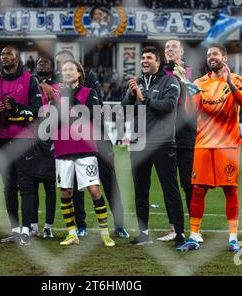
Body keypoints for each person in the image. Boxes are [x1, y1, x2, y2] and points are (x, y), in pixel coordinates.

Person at [177, 44, 242, 252]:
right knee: (198, 190)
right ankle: (193, 237)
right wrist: (186, 85)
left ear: (225, 57)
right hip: (203, 144)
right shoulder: (200, 82)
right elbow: (190, 112)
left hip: (227, 145)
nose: (211, 57)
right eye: (209, 55)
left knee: (230, 190)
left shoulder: (238, 80)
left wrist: (230, 84)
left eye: (215, 54)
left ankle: (233, 239)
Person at [55, 50, 129, 239]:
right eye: (61, 65)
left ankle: (119, 224)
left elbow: (93, 112)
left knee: (108, 181)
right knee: (74, 184)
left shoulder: (91, 78)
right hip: (73, 141)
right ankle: (81, 225)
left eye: (68, 64)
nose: (65, 69)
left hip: (98, 138)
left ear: (77, 66)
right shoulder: (58, 88)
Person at [121, 46, 185, 247]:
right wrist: (132, 94)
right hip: (138, 142)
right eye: (142, 58)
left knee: (170, 189)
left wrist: (144, 98)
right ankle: (143, 232)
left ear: (157, 61)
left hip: (162, 143)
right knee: (140, 190)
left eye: (148, 57)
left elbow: (168, 106)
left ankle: (179, 232)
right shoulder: (137, 83)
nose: (144, 61)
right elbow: (125, 109)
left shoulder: (170, 81)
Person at [0, 46, 42, 246]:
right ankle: (14, 230)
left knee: (26, 186)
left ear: (17, 58)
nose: (4, 57)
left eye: (8, 54)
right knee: (9, 187)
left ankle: (25, 231)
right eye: (2, 54)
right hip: (1, 139)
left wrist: (15, 109)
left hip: (23, 139)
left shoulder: (30, 80)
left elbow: (36, 111)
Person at [158, 39, 198, 242]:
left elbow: (198, 99)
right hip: (165, 136)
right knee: (169, 186)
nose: (170, 50)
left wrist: (184, 80)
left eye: (174, 47)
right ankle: (175, 228)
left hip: (187, 136)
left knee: (188, 185)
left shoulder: (193, 72)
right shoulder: (160, 75)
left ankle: (194, 229)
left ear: (182, 51)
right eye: (166, 48)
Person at [31, 56, 59, 238]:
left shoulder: (60, 86)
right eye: (39, 61)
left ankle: (48, 226)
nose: (42, 63)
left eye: (46, 62)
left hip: (51, 141)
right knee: (31, 186)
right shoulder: (29, 83)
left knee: (50, 186)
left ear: (53, 68)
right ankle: (33, 226)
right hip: (31, 141)